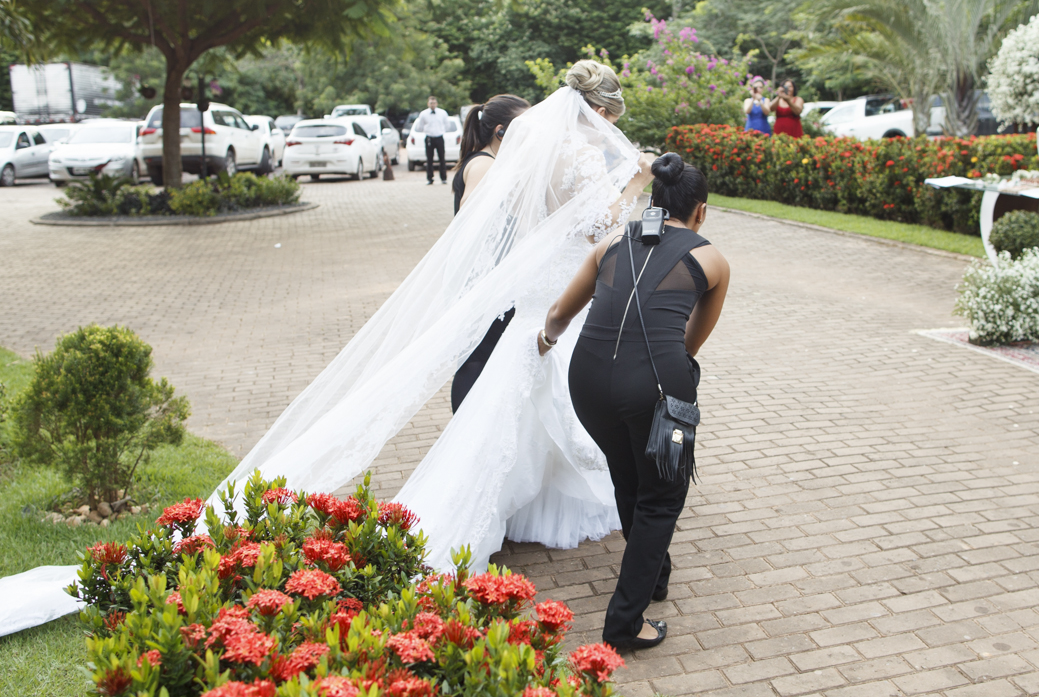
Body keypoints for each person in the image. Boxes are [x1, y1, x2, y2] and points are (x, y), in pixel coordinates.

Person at [0, 60, 659, 637]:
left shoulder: (540, 150)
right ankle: (460, 523)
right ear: (598, 111)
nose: (607, 125)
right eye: (608, 114)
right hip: (559, 296)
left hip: (547, 295)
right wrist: (634, 184)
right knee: (522, 409)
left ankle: (543, 502)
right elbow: (595, 223)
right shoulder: (575, 154)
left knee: (529, 407)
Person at [538, 153, 730, 650]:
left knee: (628, 473)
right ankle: (625, 623)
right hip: (656, 388)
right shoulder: (710, 259)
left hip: (587, 382)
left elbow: (560, 313)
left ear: (654, 200)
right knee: (662, 496)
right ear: (700, 211)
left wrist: (544, 340)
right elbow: (689, 344)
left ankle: (655, 575)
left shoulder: (610, 244)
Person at [449, 94, 530, 412]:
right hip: (486, 279)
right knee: (477, 357)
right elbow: (470, 216)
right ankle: (464, 432)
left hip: (492, 276)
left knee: (484, 355)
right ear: (500, 132)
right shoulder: (484, 165)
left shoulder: (487, 161)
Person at [413, 95, 452, 184]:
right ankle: (430, 178)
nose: (432, 104)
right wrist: (427, 131)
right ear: (428, 104)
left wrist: (441, 131)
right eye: (431, 103)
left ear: (436, 103)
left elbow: (447, 125)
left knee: (442, 158)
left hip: (439, 137)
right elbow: (420, 126)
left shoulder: (442, 113)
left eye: (434, 103)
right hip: (429, 138)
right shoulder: (423, 114)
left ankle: (443, 178)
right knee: (429, 159)